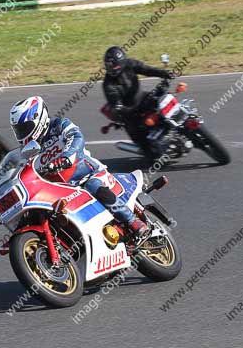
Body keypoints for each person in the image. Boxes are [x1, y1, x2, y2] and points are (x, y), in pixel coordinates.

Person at [9, 95, 149, 241]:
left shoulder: (59, 124)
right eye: (18, 130)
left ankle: (133, 222)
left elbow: (76, 137)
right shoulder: (29, 149)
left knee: (93, 185)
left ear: (38, 118)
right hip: (64, 189)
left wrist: (67, 157)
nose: (22, 133)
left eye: (25, 127)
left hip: (88, 174)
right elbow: (20, 170)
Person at [101, 46, 173, 159]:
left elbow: (146, 70)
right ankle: (148, 150)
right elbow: (115, 102)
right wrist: (123, 109)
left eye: (113, 65)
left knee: (164, 98)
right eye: (108, 65)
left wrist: (164, 73)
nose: (111, 68)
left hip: (142, 98)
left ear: (121, 62)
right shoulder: (108, 84)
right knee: (153, 152)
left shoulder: (130, 64)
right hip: (129, 111)